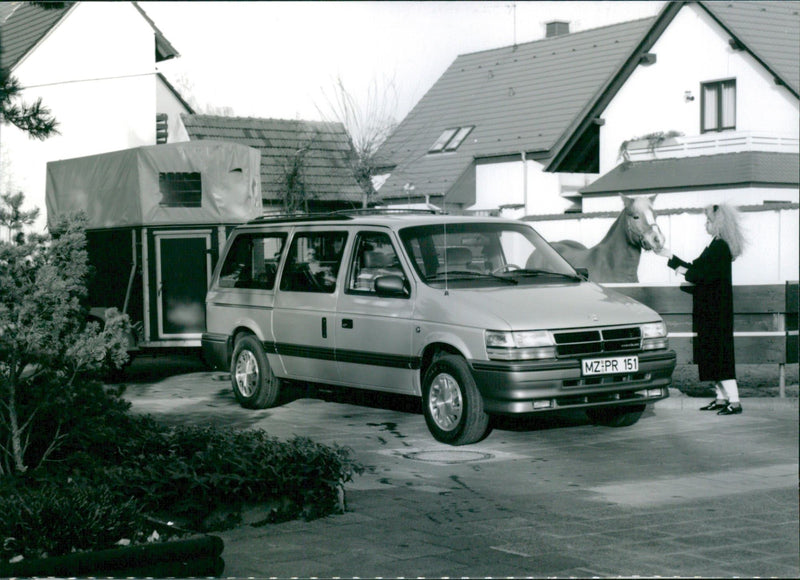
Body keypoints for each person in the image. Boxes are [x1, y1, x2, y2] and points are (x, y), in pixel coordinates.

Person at [656, 203, 746, 415]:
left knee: (720, 356)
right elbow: (696, 269)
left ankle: (734, 401)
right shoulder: (717, 245)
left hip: (716, 311)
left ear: (718, 224)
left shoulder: (719, 247)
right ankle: (722, 398)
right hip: (713, 310)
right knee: (713, 354)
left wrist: (672, 260)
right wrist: (670, 257)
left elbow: (697, 274)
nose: (705, 224)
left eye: (708, 221)